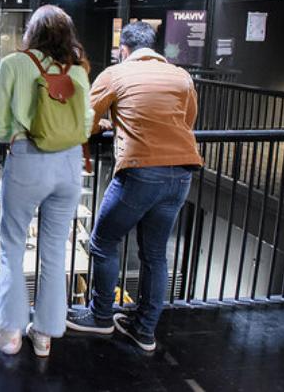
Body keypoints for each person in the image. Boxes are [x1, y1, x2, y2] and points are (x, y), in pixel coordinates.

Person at [66, 21, 203, 352]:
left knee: (103, 241)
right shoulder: (181, 75)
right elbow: (187, 120)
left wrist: (105, 124)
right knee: (155, 253)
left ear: (123, 50)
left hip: (141, 170)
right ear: (152, 47)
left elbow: (83, 122)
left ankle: (100, 317)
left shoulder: (116, 74)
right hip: (183, 172)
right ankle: (144, 329)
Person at [0, 5, 92, 358]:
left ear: (32, 32)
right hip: (70, 165)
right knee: (56, 251)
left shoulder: (14, 64)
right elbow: (85, 125)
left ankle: (10, 331)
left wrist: (12, 134)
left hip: (28, 161)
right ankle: (44, 334)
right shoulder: (78, 71)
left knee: (12, 245)